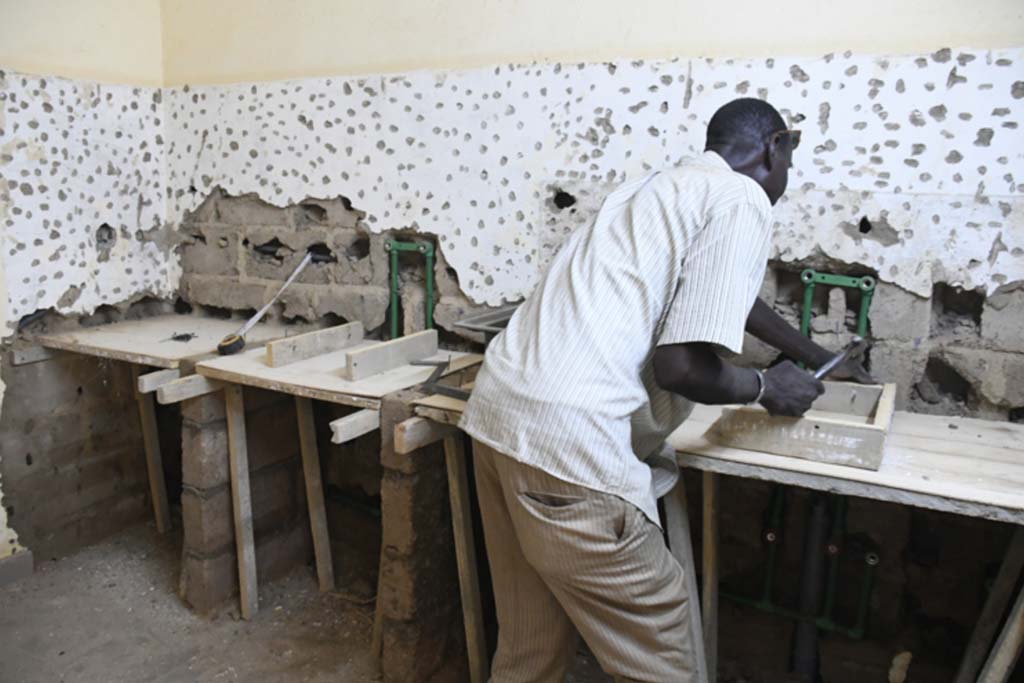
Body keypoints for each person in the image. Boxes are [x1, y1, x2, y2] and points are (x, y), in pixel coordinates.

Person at [459, 98, 872, 682]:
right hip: (572, 450)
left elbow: (729, 294)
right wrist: (763, 386)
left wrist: (816, 356)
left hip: (498, 423)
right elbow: (681, 368)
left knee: (531, 646)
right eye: (790, 161)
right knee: (662, 650)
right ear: (773, 147)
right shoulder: (741, 198)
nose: (787, 178)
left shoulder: (654, 190)